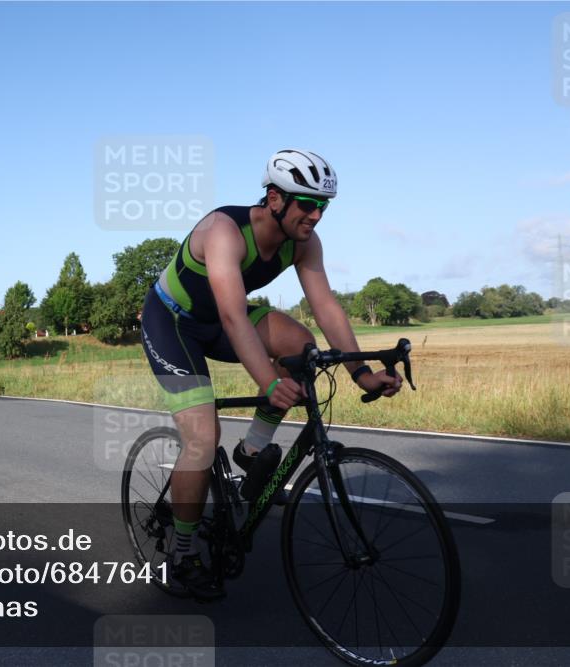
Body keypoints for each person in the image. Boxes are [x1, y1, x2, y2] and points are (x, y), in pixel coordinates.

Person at [140, 149, 403, 600]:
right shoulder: (224, 231)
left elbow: (326, 307)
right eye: (307, 203)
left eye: (324, 205)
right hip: (174, 324)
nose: (317, 215)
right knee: (202, 436)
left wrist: (360, 373)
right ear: (275, 199)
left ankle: (252, 449)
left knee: (302, 347)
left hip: (225, 319)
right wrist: (268, 383)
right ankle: (182, 556)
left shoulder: (304, 241)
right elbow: (232, 317)